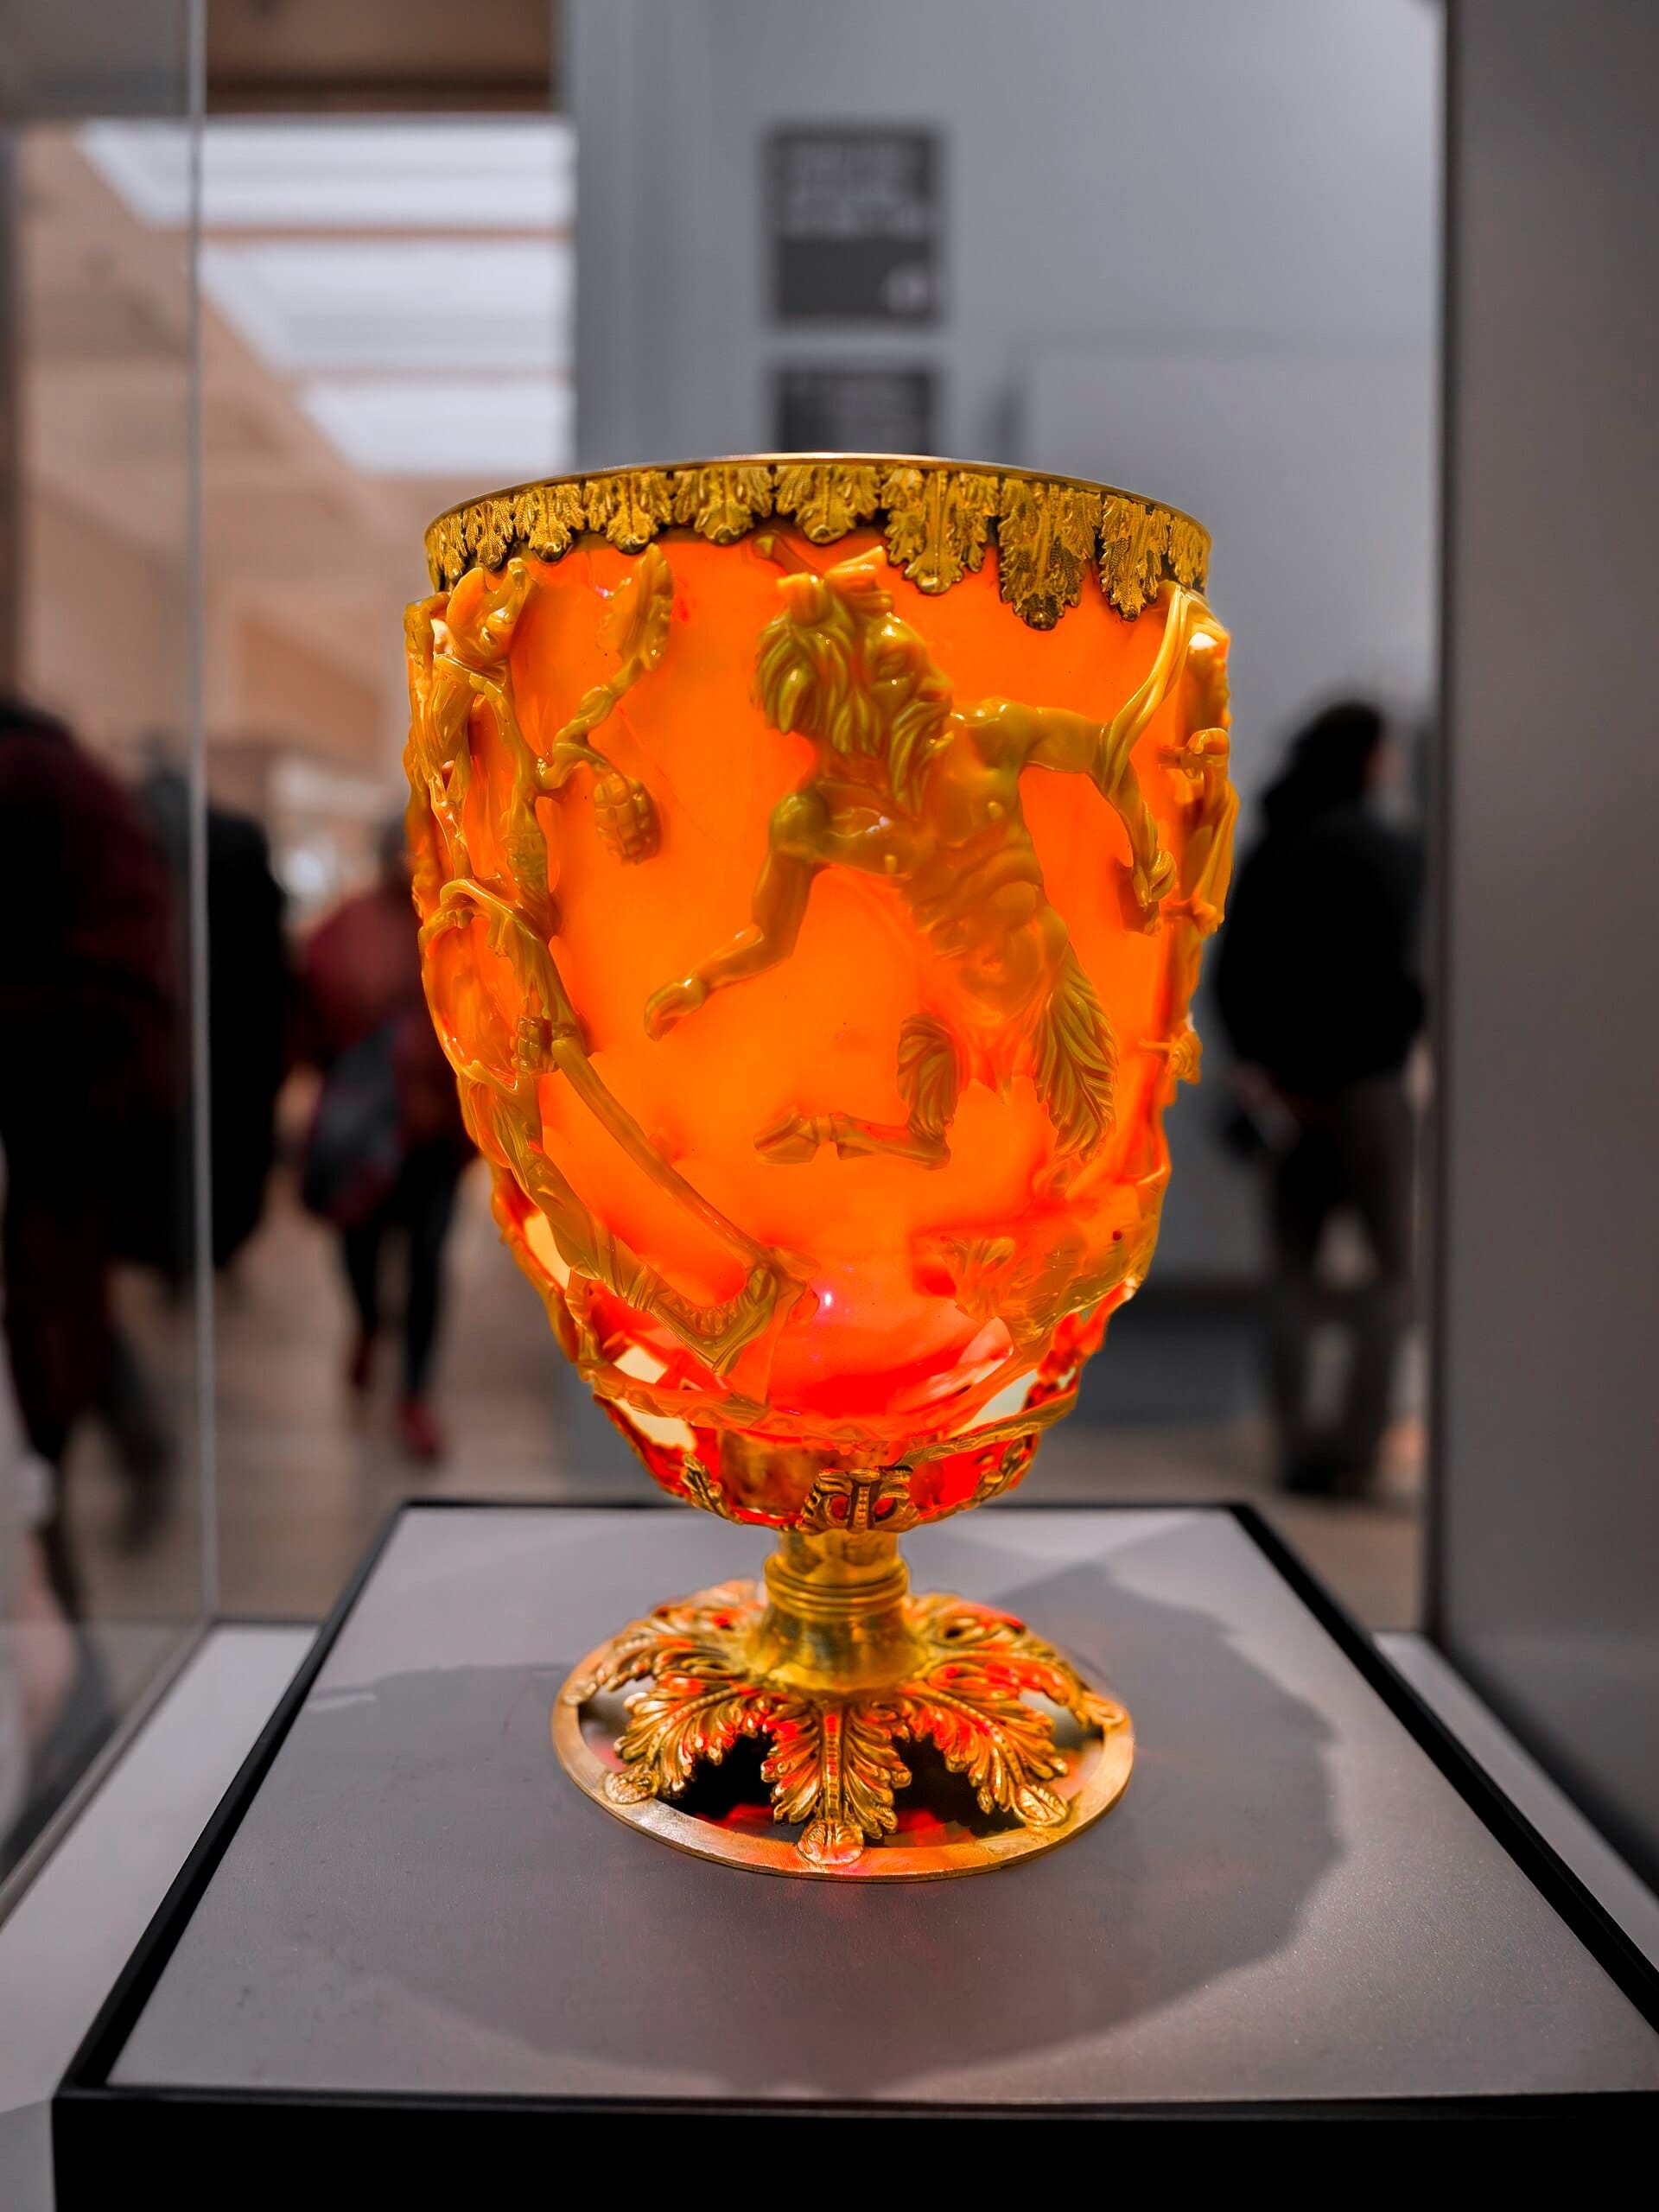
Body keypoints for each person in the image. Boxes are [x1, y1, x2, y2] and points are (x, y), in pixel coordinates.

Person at [1214, 700, 1423, 1496]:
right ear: (1369, 756)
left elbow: (1235, 973)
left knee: (1292, 1273)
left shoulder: (1277, 846)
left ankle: (1298, 1449)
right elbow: (1408, 972)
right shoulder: (1389, 850)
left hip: (1290, 1095)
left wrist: (1263, 1068)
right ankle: (1356, 1450)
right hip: (1368, 1088)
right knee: (1393, 1271)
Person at [0, 697, 181, 1601]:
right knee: (59, 1324)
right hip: (74, 1120)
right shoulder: (77, 786)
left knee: (40, 1377)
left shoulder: (30, 783)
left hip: (45, 1119)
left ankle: (71, 1698)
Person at [296, 817, 468, 1463]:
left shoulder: (457, 919)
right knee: (359, 1249)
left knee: (427, 1262)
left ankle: (415, 1392)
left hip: (438, 1132)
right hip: (371, 1126)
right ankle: (369, 1321)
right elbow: (315, 1001)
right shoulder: (352, 924)